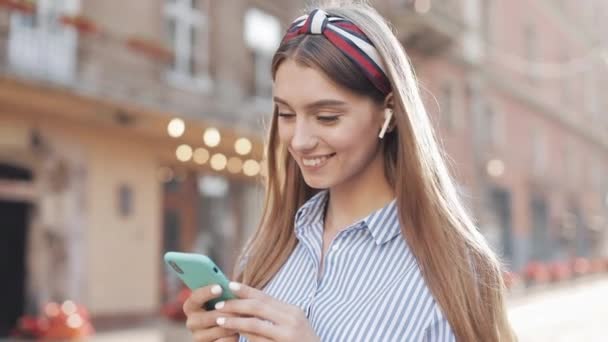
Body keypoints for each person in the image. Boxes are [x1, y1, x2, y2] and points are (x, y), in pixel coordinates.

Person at [183, 2, 516, 341]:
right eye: (286, 114)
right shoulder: (269, 250)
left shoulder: (455, 273)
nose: (299, 141)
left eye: (327, 117)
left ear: (389, 112)